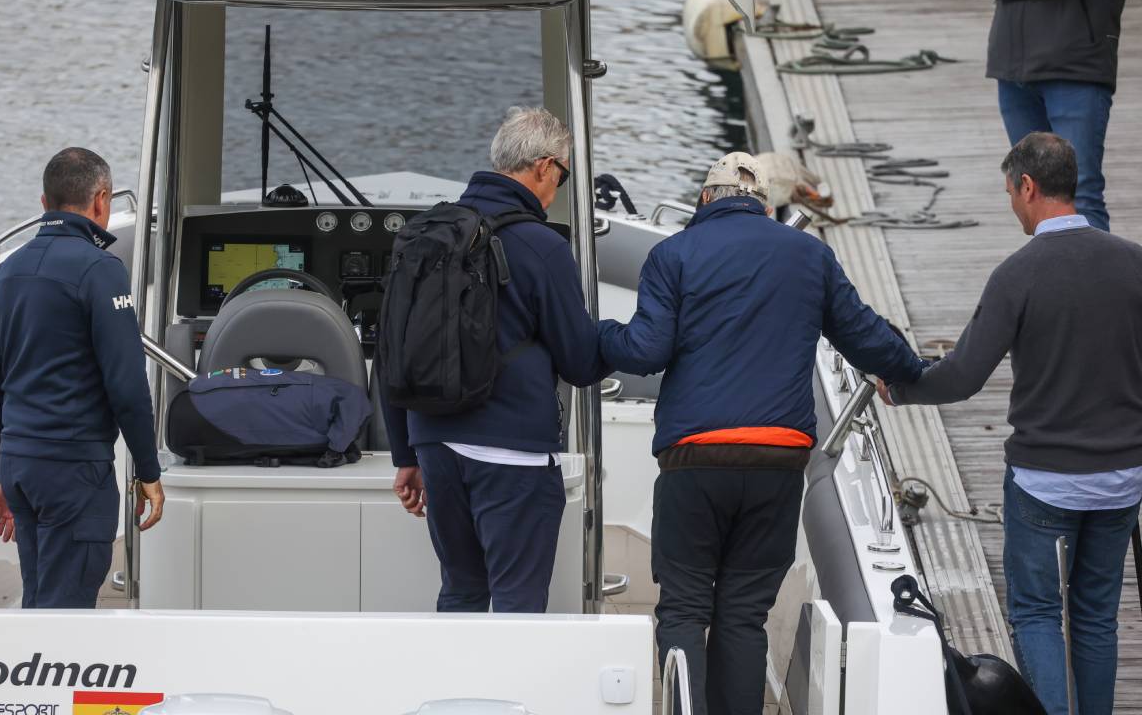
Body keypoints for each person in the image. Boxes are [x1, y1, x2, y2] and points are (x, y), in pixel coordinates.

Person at [599, 153, 926, 715]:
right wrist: (913, 370)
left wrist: (596, 336)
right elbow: (867, 338)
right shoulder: (809, 255)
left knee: (684, 610)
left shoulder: (673, 255)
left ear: (705, 199)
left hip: (695, 460)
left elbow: (645, 352)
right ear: (766, 206)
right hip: (778, 462)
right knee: (744, 614)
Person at [879, 132, 1142, 715]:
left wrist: (900, 389)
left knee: (1038, 612)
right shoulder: (1134, 263)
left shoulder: (1018, 274)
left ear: (1027, 186)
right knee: (1096, 615)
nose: (1012, 207)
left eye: (1009, 193)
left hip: (1046, 481)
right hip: (1123, 477)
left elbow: (963, 376)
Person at [385, 107, 604, 613]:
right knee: (517, 603)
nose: (558, 188)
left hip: (435, 446)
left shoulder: (424, 234)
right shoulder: (543, 246)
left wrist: (406, 455)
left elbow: (394, 347)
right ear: (545, 167)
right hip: (512, 453)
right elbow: (580, 362)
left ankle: (452, 671)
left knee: (461, 591)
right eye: (563, 176)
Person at [0, 147, 165, 609]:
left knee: (40, 599)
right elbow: (126, 385)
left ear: (45, 203)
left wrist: (2, 469)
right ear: (101, 200)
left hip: (20, 468)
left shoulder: (7, 271)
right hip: (72, 471)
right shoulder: (101, 270)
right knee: (65, 616)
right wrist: (148, 470)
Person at [966, 0, 1137, 232]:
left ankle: (1094, 268)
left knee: (1080, 194)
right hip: (1013, 71)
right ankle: (1052, 267)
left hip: (1075, 70)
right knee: (1031, 193)